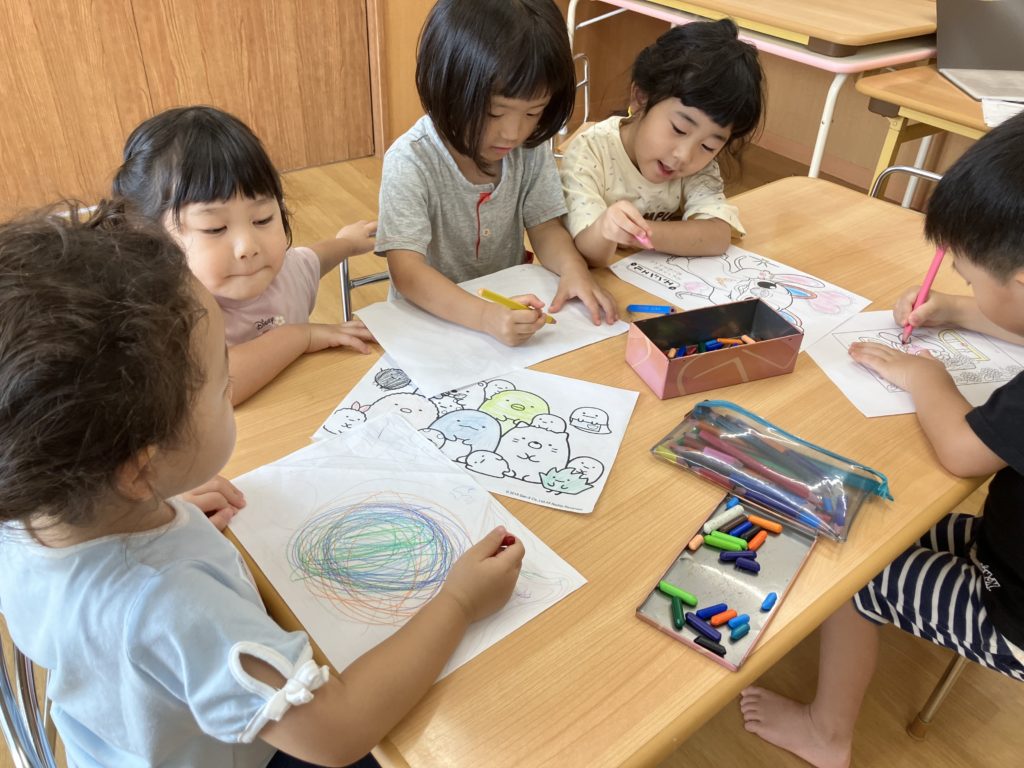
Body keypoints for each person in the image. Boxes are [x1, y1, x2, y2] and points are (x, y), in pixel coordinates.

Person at [0, 203, 526, 768]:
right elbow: (338, 732)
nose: (231, 384)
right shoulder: (173, 604)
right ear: (139, 469)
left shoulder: (29, 507)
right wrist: (458, 602)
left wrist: (158, 500)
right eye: (223, 382)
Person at [740, 113, 1024, 768]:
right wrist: (958, 310)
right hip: (1006, 545)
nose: (963, 286)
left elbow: (962, 451)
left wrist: (926, 376)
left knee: (853, 566)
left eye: (969, 279)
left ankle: (828, 734)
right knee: (875, 516)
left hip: (1014, 611)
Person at [375, 0, 618, 347]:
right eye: (494, 112)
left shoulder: (529, 148)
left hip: (505, 317)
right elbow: (408, 272)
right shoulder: (410, 161)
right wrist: (484, 316)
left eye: (533, 112)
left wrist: (573, 270)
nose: (513, 133)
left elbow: (546, 227)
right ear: (447, 86)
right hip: (429, 328)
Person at [114, 106, 376, 405]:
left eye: (262, 219)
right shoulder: (173, 315)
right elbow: (222, 388)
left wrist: (347, 243)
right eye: (215, 228)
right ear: (152, 237)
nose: (247, 246)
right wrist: (301, 336)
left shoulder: (285, 273)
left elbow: (312, 260)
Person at [560, 19, 764, 264]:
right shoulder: (591, 152)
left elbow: (717, 235)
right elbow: (588, 252)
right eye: (679, 129)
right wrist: (607, 229)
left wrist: (638, 233)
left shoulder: (697, 168)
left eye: (708, 146)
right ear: (641, 98)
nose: (684, 156)